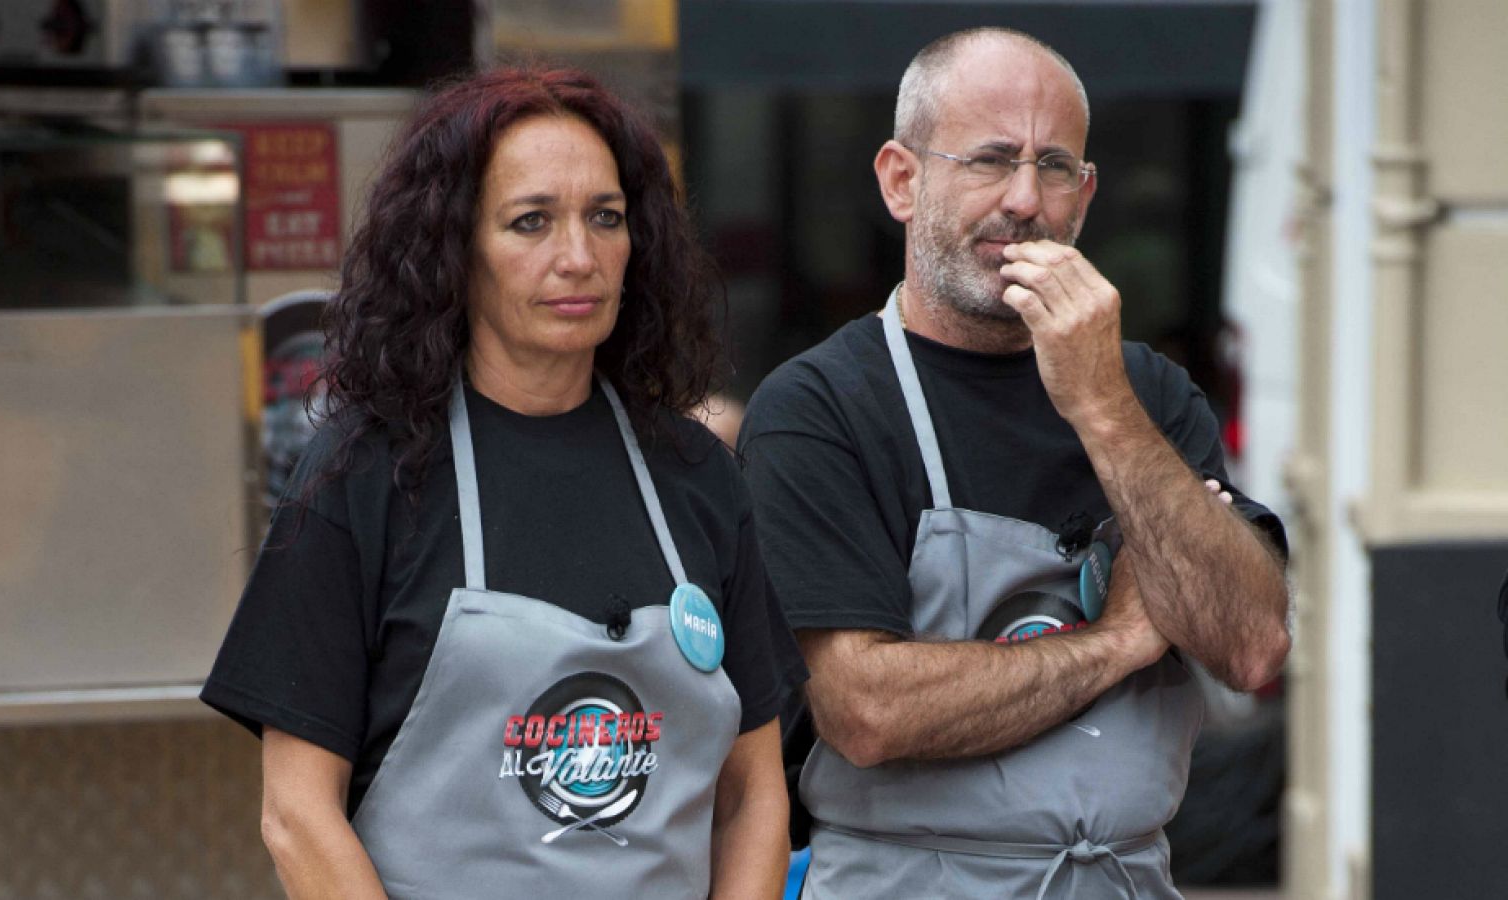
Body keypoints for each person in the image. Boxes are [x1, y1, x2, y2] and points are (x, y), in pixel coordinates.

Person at [202, 67, 806, 900]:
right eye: (531, 222)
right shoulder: (366, 474)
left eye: (606, 218)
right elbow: (297, 814)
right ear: (455, 252)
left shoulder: (698, 474)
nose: (578, 257)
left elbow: (752, 796)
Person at [738, 28, 1291, 899]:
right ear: (901, 180)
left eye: (1055, 166)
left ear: (1086, 195)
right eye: (991, 161)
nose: (1026, 200)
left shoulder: (1146, 392)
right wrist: (1117, 643)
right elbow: (868, 710)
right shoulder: (821, 407)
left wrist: (1104, 409)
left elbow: (1252, 646)